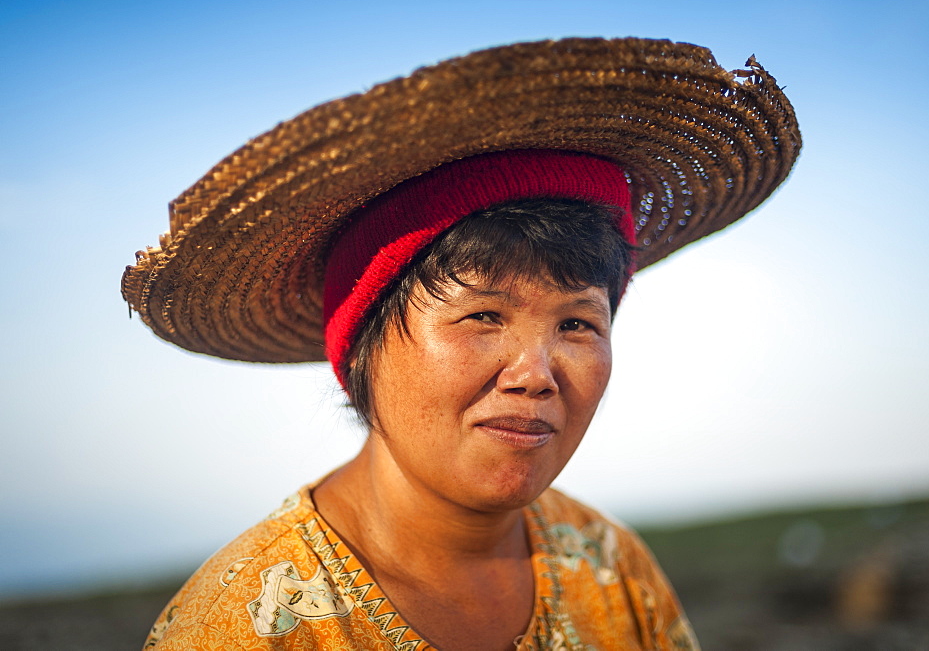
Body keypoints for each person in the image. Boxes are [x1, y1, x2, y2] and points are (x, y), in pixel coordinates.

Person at [124, 37, 800, 650]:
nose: (536, 374)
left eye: (577, 324)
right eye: (483, 316)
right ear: (361, 349)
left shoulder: (608, 565)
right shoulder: (244, 626)